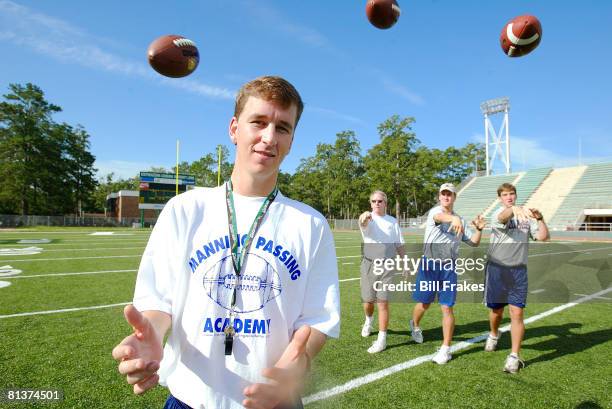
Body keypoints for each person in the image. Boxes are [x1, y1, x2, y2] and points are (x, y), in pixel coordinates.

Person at [112, 76, 340, 409]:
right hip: (191, 397)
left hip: (275, 401)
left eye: (282, 128)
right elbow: (159, 300)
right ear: (234, 129)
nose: (268, 137)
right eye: (258, 122)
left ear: (291, 140)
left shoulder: (310, 224)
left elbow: (317, 320)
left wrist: (300, 364)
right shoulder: (185, 209)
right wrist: (154, 335)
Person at [410, 183, 485, 364]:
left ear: (454, 197)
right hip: (429, 265)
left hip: (449, 267)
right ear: (439, 196)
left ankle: (445, 349)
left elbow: (473, 243)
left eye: (449, 194)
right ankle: (415, 325)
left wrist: (479, 230)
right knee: (424, 303)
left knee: (447, 307)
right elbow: (439, 216)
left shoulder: (460, 219)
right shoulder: (435, 212)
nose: (446, 197)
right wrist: (453, 220)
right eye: (443, 194)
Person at [483, 182, 549, 373]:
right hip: (497, 270)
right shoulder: (498, 214)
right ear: (500, 198)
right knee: (496, 312)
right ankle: (494, 334)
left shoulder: (525, 219)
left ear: (515, 195)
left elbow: (543, 237)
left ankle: (514, 355)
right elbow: (504, 217)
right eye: (505, 195)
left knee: (517, 313)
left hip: (518, 271)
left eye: (511, 194)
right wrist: (514, 209)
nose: (509, 197)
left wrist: (540, 218)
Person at [358, 190, 405, 353]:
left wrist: (405, 263)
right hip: (369, 266)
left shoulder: (392, 222)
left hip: (387, 266)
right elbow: (363, 223)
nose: (376, 203)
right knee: (368, 303)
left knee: (383, 302)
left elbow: (399, 244)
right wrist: (364, 217)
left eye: (380, 201)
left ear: (385, 203)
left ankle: (382, 339)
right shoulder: (368, 219)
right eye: (373, 201)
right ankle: (368, 321)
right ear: (370, 203)